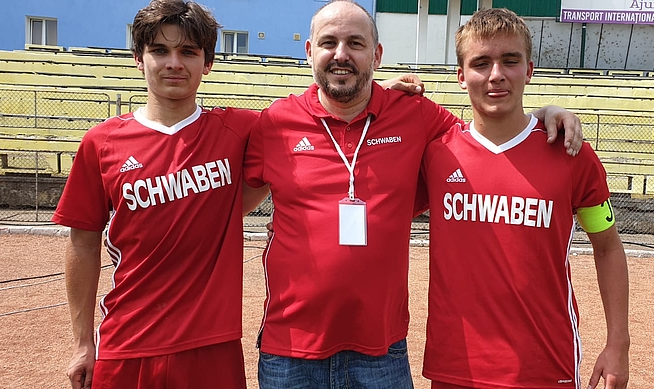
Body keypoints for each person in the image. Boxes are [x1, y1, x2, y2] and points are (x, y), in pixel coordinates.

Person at [244, 1, 584, 387]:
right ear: (309, 52)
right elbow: (230, 206)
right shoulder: (272, 124)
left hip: (381, 350)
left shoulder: (416, 115)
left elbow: (489, 133)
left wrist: (544, 112)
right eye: (329, 42)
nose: (341, 54)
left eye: (355, 43)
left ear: (377, 54)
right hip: (291, 348)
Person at [53, 1, 273, 388]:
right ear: (138, 58)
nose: (174, 63)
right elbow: (83, 243)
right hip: (127, 344)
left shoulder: (239, 128)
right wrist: (83, 343)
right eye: (159, 50)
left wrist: (371, 92)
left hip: (212, 345)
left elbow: (314, 116)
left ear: (208, 63)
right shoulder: (101, 143)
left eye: (188, 51)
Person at [420, 8, 630, 389]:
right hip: (456, 368)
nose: (496, 74)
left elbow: (608, 247)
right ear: (461, 75)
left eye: (509, 61)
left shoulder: (571, 152)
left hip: (545, 368)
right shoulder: (437, 155)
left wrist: (619, 343)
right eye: (481, 63)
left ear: (529, 70)